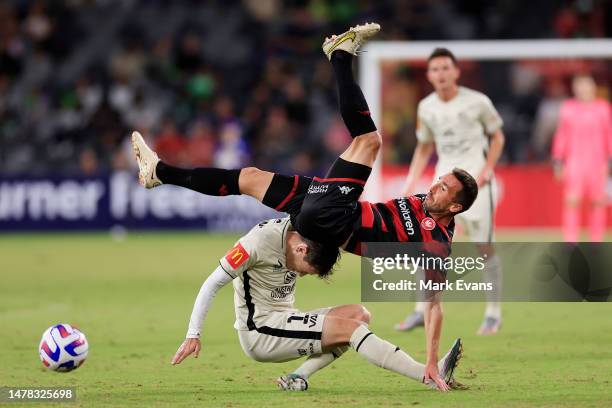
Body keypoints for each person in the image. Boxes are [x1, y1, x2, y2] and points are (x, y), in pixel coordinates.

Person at [132, 23, 478, 384]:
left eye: (443, 189)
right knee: (249, 178)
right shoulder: (426, 201)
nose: (434, 186)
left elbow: (434, 306)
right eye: (439, 180)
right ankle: (159, 172)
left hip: (335, 221)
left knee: (370, 140)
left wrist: (432, 355)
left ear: (454, 208)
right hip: (329, 211)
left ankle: (340, 55)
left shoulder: (437, 244)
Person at [169, 216, 463, 391]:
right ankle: (426, 375)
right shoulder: (255, 244)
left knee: (359, 314)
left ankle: (298, 377)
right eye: (303, 269)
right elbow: (212, 282)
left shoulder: (306, 229)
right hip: (260, 331)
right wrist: (193, 334)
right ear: (300, 248)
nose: (298, 274)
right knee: (350, 331)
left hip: (285, 320)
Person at [396, 48, 505, 336]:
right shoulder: (426, 107)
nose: (441, 74)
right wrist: (411, 181)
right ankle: (421, 310)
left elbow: (498, 136)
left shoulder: (478, 102)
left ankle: (493, 312)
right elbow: (424, 146)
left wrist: (485, 171)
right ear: (429, 75)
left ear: (456, 72)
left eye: (446, 68)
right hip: (443, 185)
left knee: (484, 247)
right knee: (426, 245)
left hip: (476, 186)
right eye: (435, 69)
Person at [552, 74, 612, 242]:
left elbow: (609, 135)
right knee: (572, 200)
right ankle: (571, 241)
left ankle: (596, 240)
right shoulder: (568, 108)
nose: (583, 89)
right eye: (579, 86)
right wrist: (558, 159)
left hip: (598, 161)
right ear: (574, 89)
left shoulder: (603, 108)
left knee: (597, 201)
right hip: (575, 161)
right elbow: (561, 135)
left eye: (586, 85)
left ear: (593, 87)